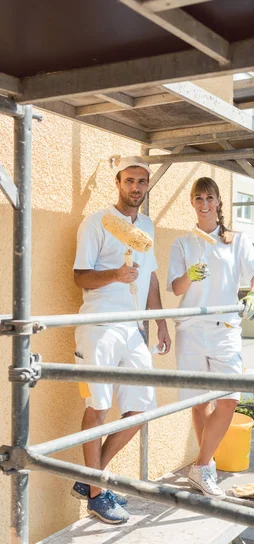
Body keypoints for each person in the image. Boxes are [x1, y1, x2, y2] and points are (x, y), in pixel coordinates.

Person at [72, 156, 171, 524]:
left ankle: (90, 478)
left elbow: (153, 277)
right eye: (130, 180)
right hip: (99, 324)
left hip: (133, 328)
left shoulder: (146, 225)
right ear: (118, 183)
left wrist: (159, 322)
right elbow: (80, 277)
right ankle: (97, 494)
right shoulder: (96, 222)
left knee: (142, 406)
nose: (136, 187)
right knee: (98, 407)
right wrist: (115, 274)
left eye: (142, 182)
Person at [167, 177, 254, 499]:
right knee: (199, 401)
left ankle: (201, 465)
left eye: (209, 197)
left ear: (219, 201)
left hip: (225, 328)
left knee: (230, 398)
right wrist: (189, 276)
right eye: (198, 198)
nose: (204, 203)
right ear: (191, 202)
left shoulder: (236, 240)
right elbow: (176, 288)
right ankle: (204, 470)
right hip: (191, 327)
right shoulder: (182, 242)